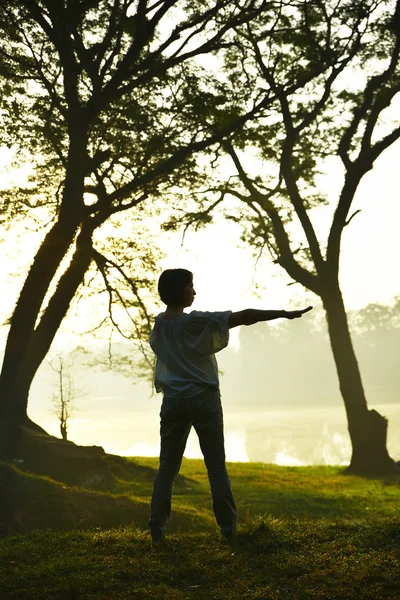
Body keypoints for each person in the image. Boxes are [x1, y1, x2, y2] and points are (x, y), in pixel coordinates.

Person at [148, 268, 312, 543]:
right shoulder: (194, 322)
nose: (194, 292)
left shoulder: (159, 324)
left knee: (167, 469)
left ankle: (157, 530)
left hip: (174, 402)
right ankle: (227, 528)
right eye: (191, 286)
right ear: (180, 290)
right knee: (216, 466)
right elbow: (245, 317)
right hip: (204, 399)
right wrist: (283, 314)